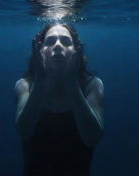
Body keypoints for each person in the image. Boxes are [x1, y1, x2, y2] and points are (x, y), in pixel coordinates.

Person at [14, 23, 104, 176]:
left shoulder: (92, 85)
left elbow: (92, 137)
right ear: (40, 50)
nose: (57, 45)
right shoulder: (24, 86)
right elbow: (23, 131)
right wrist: (41, 79)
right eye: (50, 41)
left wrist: (71, 81)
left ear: (76, 50)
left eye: (66, 41)